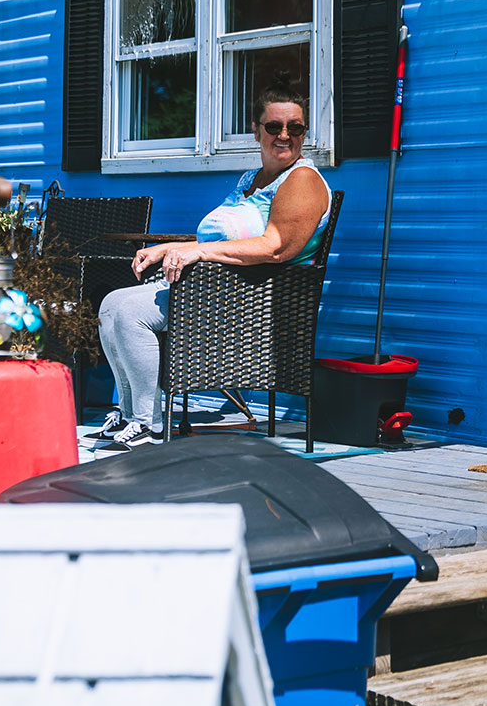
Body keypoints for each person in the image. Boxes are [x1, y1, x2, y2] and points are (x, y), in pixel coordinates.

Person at [91, 88, 332, 448]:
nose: (285, 135)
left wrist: (197, 254)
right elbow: (223, 238)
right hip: (213, 287)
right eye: (274, 126)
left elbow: (277, 247)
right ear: (256, 130)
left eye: (295, 128)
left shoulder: (302, 180)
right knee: (110, 304)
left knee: (129, 312)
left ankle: (149, 423)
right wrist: (172, 248)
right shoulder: (251, 180)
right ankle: (129, 414)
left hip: (252, 298)